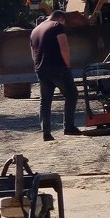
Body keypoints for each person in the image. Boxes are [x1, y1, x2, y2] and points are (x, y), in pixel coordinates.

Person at [29, 9, 80, 141]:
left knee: (45, 101)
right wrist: (68, 65)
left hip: (41, 69)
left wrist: (38, 67)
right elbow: (64, 47)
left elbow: (33, 54)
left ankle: (46, 133)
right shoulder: (58, 26)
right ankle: (69, 127)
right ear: (60, 19)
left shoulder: (35, 30)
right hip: (58, 68)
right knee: (72, 94)